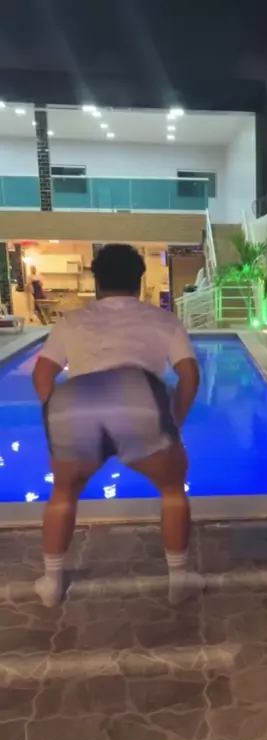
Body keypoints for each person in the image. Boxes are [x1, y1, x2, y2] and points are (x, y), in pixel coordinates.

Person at [32, 243, 201, 608]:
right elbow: (190, 374)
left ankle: (50, 583)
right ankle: (178, 579)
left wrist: (56, 413)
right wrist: (173, 423)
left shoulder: (72, 321)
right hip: (135, 395)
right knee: (172, 488)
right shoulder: (163, 320)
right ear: (139, 281)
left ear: (97, 281)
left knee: (63, 492)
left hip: (74, 402)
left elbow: (42, 373)